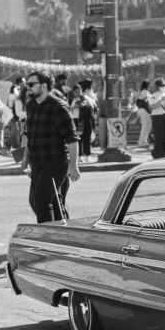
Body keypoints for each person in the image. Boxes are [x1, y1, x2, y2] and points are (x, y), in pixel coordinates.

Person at [21, 70, 80, 222]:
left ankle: (47, 237)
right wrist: (26, 156)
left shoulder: (58, 106)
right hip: (37, 161)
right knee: (41, 201)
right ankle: (63, 233)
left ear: (44, 86)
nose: (28, 87)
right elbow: (30, 134)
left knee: (42, 198)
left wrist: (74, 166)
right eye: (28, 84)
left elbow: (72, 139)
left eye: (32, 84)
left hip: (56, 162)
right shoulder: (31, 106)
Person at [147, 77, 165, 159]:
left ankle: (163, 153)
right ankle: (156, 153)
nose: (164, 87)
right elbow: (152, 107)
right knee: (159, 136)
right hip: (157, 117)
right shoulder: (153, 96)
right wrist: (161, 100)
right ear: (157, 86)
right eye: (162, 85)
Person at [68, 83, 95, 160]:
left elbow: (91, 107)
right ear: (73, 92)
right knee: (77, 139)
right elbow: (68, 109)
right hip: (75, 121)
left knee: (86, 138)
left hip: (84, 120)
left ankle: (87, 155)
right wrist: (74, 107)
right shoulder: (71, 99)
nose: (78, 92)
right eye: (76, 91)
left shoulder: (86, 98)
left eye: (79, 90)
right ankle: (79, 156)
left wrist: (81, 105)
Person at [132, 79, 151, 147]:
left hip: (140, 110)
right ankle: (141, 142)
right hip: (145, 110)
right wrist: (150, 110)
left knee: (146, 126)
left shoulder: (140, 92)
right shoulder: (145, 92)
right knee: (146, 126)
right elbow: (147, 102)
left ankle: (144, 141)